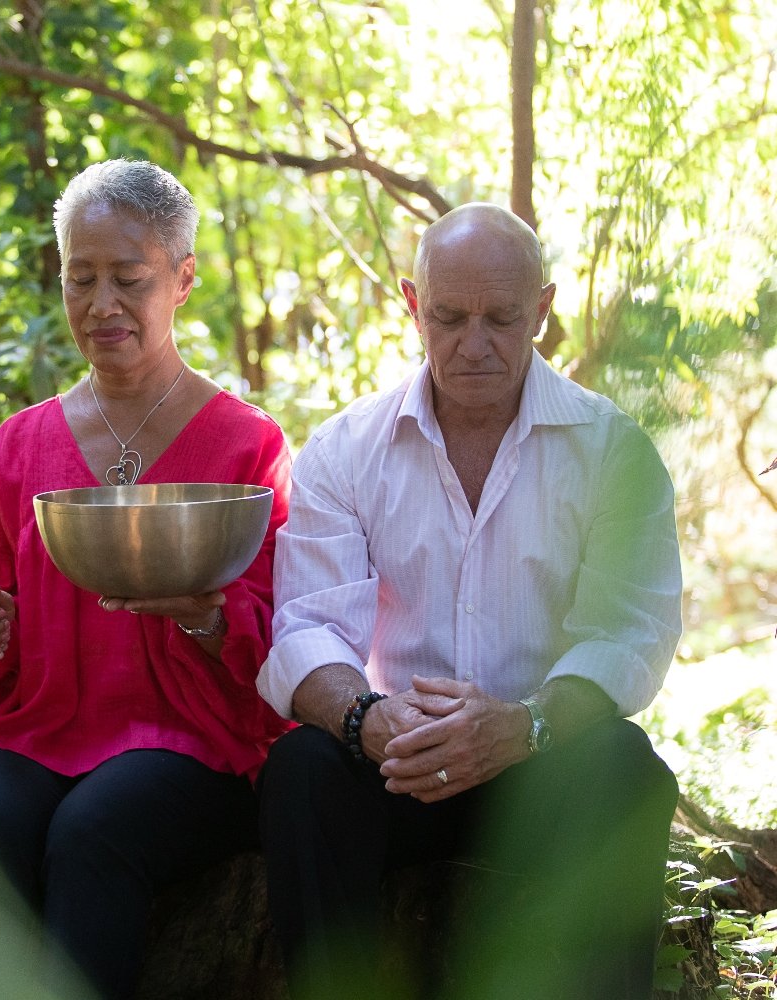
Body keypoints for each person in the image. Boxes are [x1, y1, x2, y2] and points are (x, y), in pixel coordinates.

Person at [0, 159, 292, 1000]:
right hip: (40, 723)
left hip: (191, 736)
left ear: (181, 280)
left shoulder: (247, 447)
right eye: (80, 278)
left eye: (128, 278)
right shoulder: (18, 450)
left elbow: (289, 628)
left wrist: (208, 619)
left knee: (94, 832)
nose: (101, 303)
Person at [255, 203, 682, 1000]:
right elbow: (309, 629)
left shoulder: (610, 448)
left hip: (544, 757)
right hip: (397, 760)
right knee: (302, 771)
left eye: (502, 318)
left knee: (627, 770)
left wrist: (524, 726)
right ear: (412, 305)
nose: (475, 344)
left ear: (544, 311)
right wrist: (366, 720)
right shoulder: (348, 449)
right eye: (449, 317)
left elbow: (630, 634)